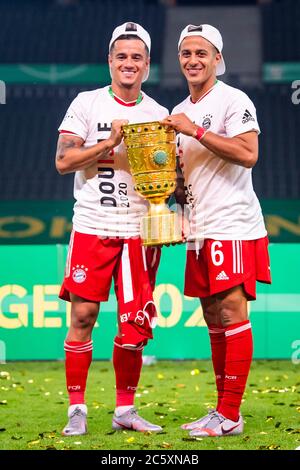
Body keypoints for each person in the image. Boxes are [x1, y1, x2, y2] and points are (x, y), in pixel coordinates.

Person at [55, 22, 168, 436]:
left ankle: (124, 409)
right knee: (83, 315)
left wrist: (168, 209)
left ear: (147, 64)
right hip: (92, 226)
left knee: (133, 327)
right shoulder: (86, 104)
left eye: (137, 57)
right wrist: (109, 143)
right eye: (121, 56)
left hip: (139, 233)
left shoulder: (159, 114)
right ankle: (77, 409)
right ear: (110, 61)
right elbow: (64, 161)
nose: (129, 63)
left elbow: (167, 174)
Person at [161, 24, 271, 437]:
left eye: (201, 53)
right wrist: (166, 198)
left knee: (231, 310)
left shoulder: (233, 100)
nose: (193, 60)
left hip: (233, 224)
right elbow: (183, 176)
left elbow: (248, 154)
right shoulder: (179, 109)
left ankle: (230, 414)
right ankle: (224, 410)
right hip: (200, 228)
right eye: (186, 53)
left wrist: (197, 131)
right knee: (211, 315)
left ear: (218, 59)